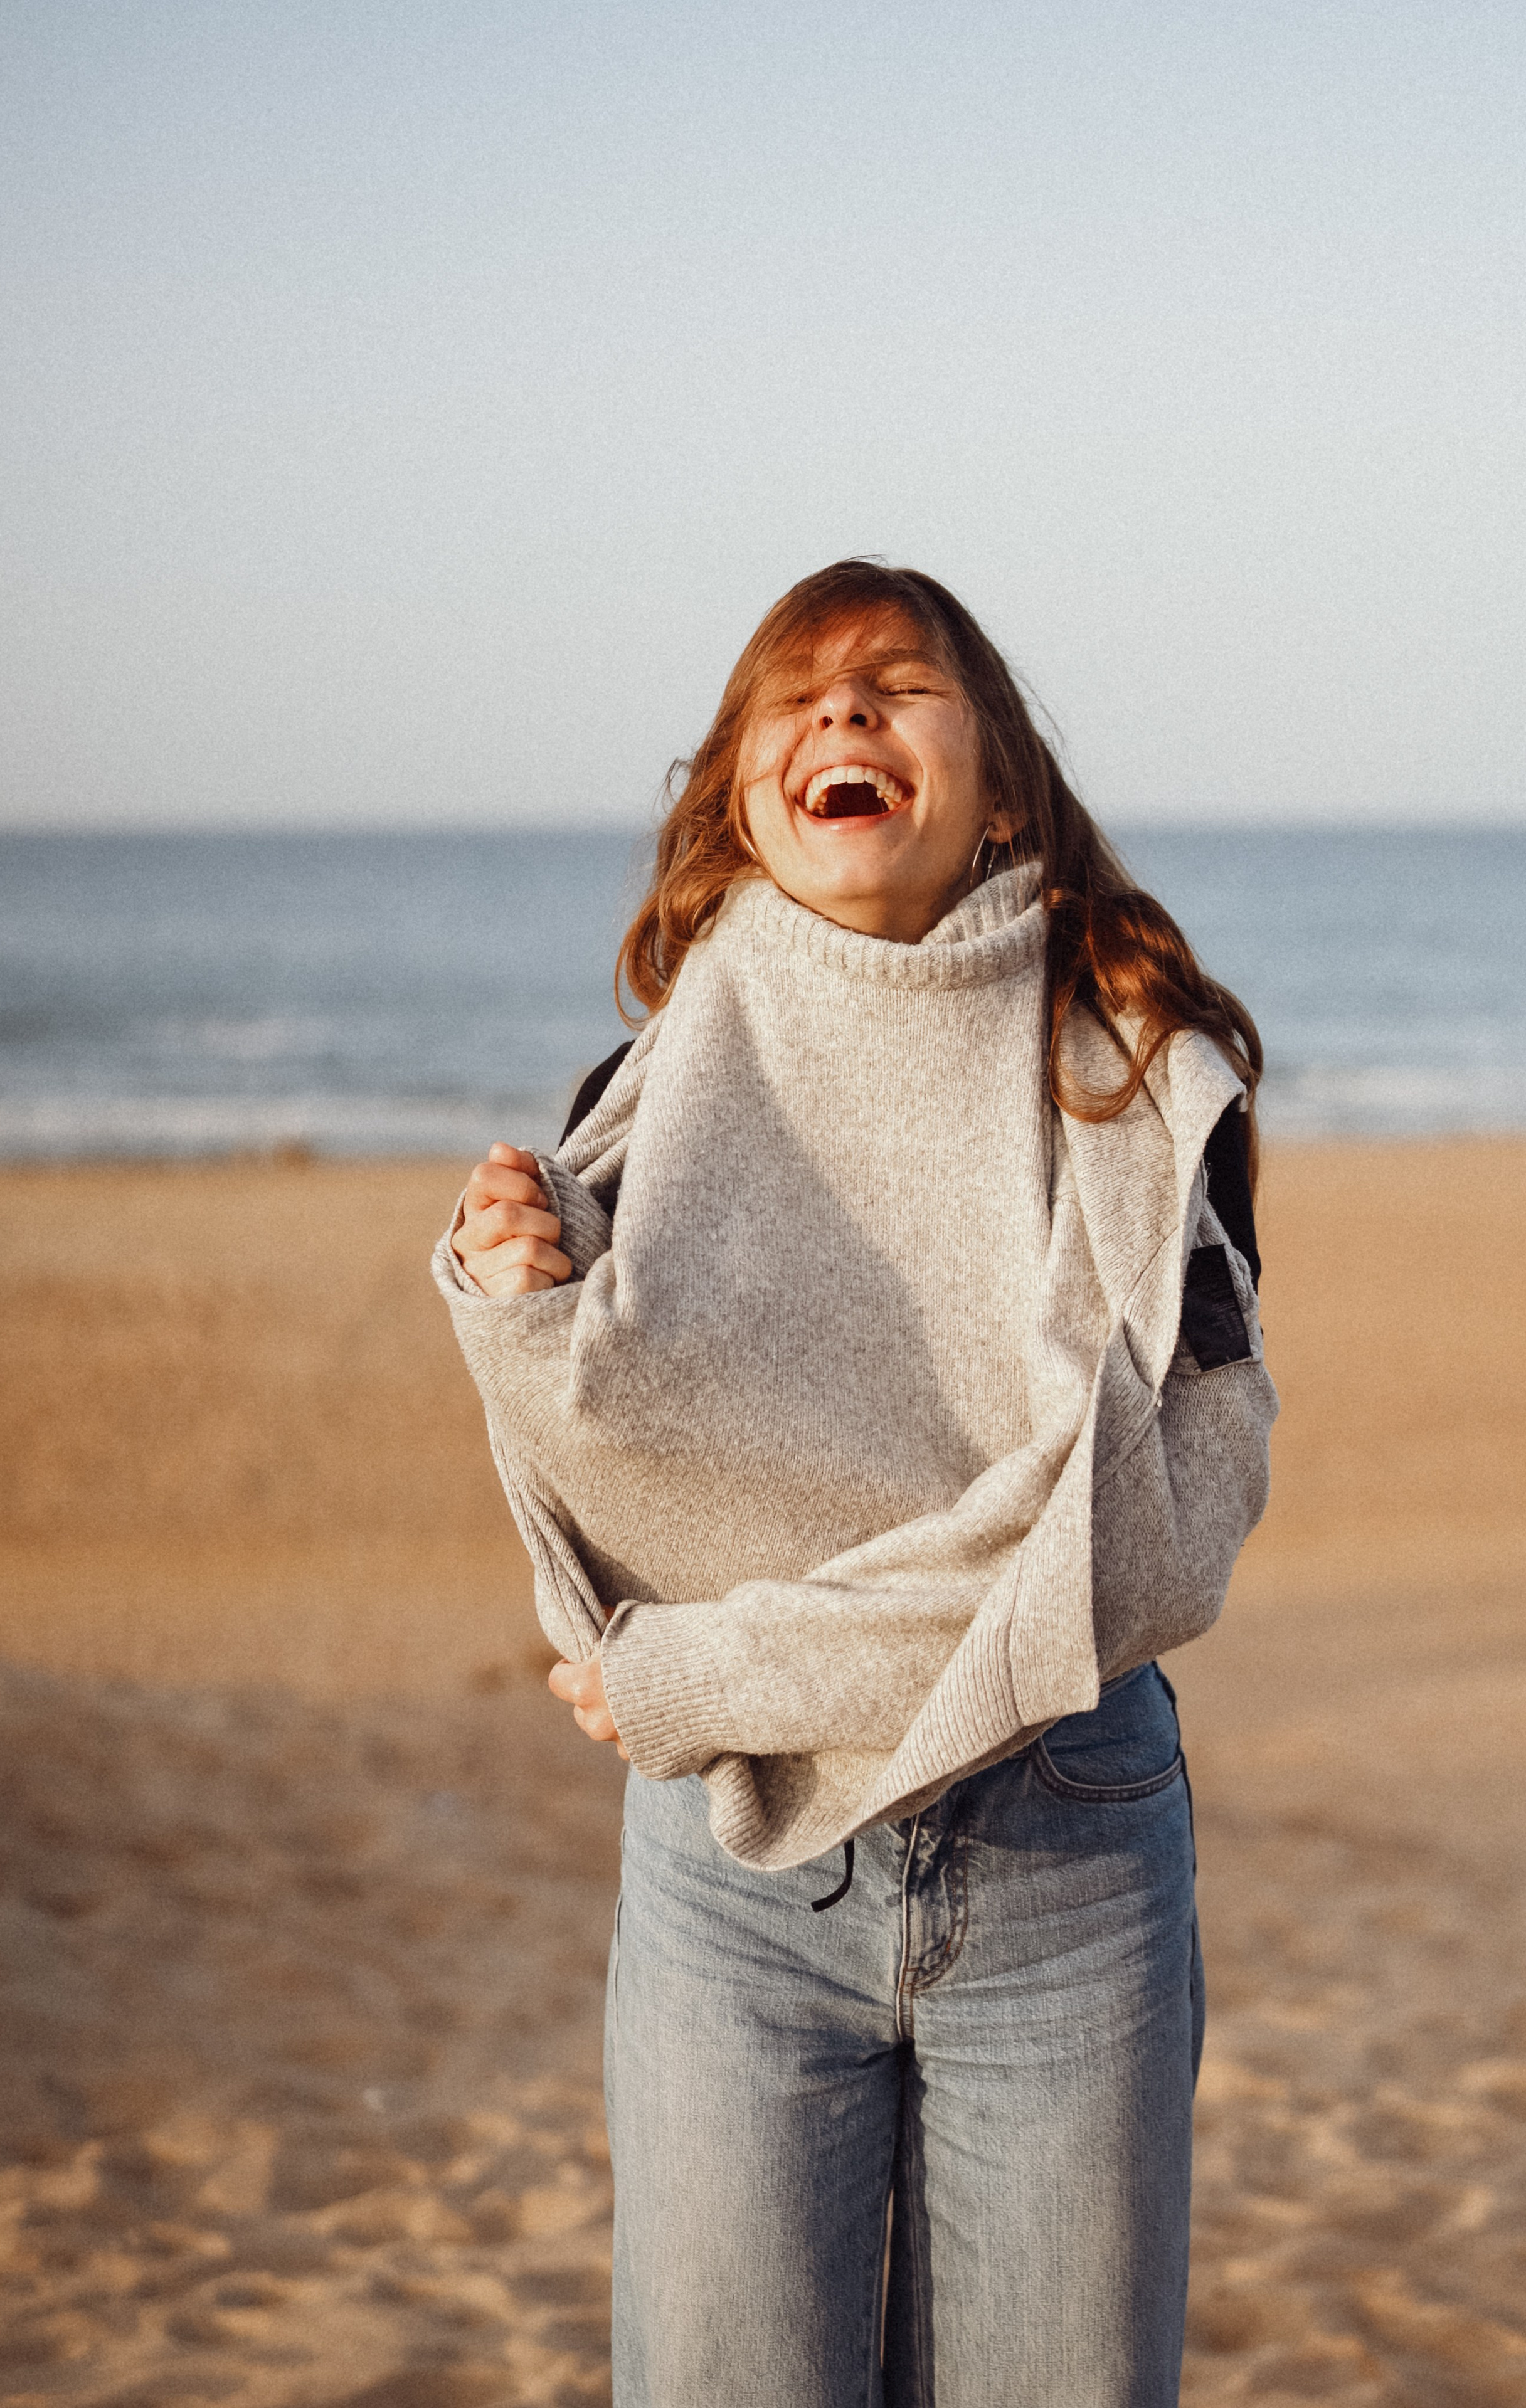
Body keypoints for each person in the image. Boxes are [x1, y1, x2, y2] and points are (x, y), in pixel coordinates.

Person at [433, 560, 1276, 2407]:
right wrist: (520, 1301)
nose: (843, 715)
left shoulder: (1140, 1077)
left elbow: (1156, 1530)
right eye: (794, 696)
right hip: (731, 1880)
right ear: (742, 788)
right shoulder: (644, 1095)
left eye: (900, 687)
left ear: (999, 788)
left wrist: (711, 1676)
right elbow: (607, 1503)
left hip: (1064, 1840)